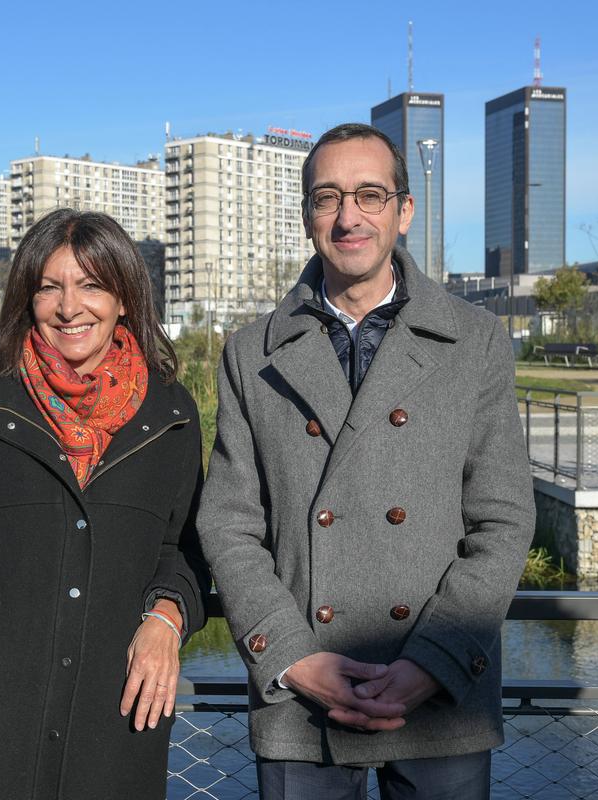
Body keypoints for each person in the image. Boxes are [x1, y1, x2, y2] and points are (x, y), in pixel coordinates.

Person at [198, 123, 535, 800]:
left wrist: (434, 660)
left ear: (404, 211)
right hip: (305, 695)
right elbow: (229, 525)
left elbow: (502, 519)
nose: (348, 215)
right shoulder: (250, 352)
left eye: (369, 195)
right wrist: (291, 657)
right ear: (306, 218)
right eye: (327, 198)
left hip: (439, 693)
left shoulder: (474, 342)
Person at [0, 208, 209, 799]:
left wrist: (167, 617)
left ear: (125, 297)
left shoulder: (170, 418)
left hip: (111, 735)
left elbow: (187, 550)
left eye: (92, 285)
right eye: (50, 287)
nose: (70, 307)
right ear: (29, 299)